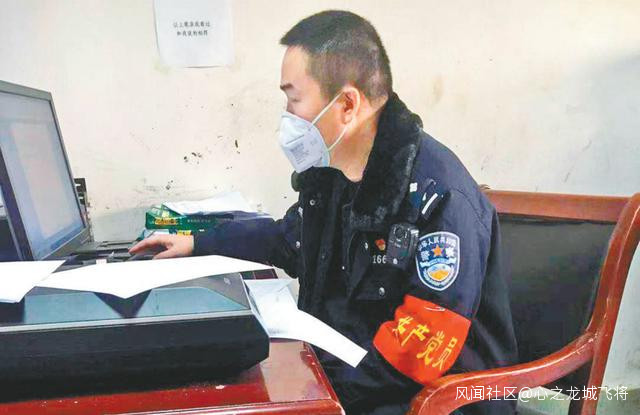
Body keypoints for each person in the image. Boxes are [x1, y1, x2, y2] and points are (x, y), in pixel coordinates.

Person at [131, 10, 518, 414]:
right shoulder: (336, 173)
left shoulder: (440, 197)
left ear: (347, 104)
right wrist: (196, 242)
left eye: (294, 99)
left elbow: (418, 352)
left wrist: (314, 392)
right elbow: (290, 240)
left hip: (431, 399)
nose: (287, 116)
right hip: (351, 375)